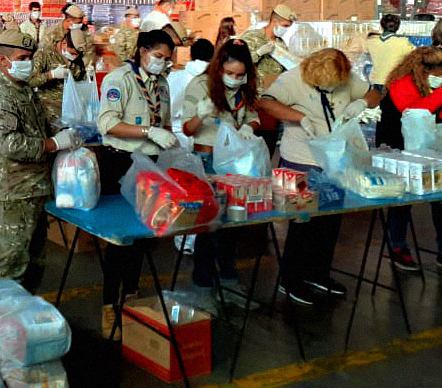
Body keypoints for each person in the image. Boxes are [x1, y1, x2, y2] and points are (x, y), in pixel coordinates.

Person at [259, 48, 380, 305]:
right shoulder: (293, 78)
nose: (331, 90)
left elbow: (376, 92)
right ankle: (290, 280)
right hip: (299, 158)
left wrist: (362, 102)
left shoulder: (345, 77)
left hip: (333, 160)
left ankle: (318, 274)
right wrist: (299, 117)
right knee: (302, 220)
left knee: (330, 220)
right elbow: (265, 102)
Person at [0, 29, 82, 289]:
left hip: (35, 189)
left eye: (30, 57)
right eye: (22, 57)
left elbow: (39, 126)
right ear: (4, 61)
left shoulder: (24, 90)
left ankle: (23, 324)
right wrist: (52, 144)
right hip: (12, 193)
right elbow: (8, 144)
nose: (28, 63)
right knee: (9, 269)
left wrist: (63, 133)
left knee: (34, 265)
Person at [96, 29, 178, 338]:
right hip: (123, 163)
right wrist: (148, 133)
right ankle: (108, 303)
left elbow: (164, 120)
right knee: (121, 238)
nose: (162, 63)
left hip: (151, 166)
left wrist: (168, 135)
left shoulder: (162, 83)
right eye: (158, 56)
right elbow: (108, 124)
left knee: (143, 235)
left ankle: (130, 295)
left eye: (167, 59)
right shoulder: (120, 80)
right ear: (142, 51)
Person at [181, 40, 262, 294]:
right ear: (218, 67)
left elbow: (252, 116)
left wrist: (250, 126)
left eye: (240, 74)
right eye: (229, 74)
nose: (235, 79)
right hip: (208, 161)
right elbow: (187, 129)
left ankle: (228, 275)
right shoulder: (200, 85)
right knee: (210, 223)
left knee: (233, 222)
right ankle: (203, 279)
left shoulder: (246, 87)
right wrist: (200, 115)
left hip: (236, 162)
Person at [377, 47, 442, 271]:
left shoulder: (428, 83)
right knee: (401, 199)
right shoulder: (402, 83)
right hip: (398, 147)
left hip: (428, 146)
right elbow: (415, 113)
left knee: (439, 198)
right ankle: (397, 246)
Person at [28, 28, 89, 124]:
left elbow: (82, 80)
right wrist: (51, 75)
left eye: (77, 55)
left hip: (71, 110)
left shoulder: (78, 59)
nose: (74, 57)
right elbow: (30, 81)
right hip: (48, 111)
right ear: (64, 43)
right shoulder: (45, 54)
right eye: (72, 53)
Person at [240, 4, 297, 87]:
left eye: (288, 27)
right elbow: (239, 62)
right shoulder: (252, 37)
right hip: (255, 92)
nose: (286, 29)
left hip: (275, 91)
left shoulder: (280, 43)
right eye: (285, 26)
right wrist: (258, 53)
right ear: (274, 21)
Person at [168, 38, 214, 132]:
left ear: (190, 55)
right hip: (206, 134)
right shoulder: (216, 80)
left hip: (174, 130)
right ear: (212, 57)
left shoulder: (173, 77)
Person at [365, 14, 414, 92]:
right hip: (394, 82)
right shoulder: (403, 42)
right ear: (398, 27)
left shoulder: (371, 42)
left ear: (381, 26)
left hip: (376, 81)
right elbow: (415, 56)